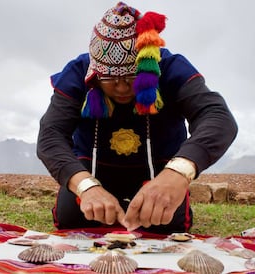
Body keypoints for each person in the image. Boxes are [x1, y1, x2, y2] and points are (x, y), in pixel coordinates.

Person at [37, 2, 237, 234]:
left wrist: (177, 174)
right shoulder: (77, 73)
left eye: (132, 78)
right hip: (90, 170)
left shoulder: (170, 68)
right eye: (109, 79)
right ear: (93, 74)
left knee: (168, 226)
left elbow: (218, 117)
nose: (121, 88)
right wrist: (85, 186)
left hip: (161, 173)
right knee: (72, 220)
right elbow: (50, 136)